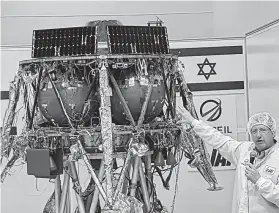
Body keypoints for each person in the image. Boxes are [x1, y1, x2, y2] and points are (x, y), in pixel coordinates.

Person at [177, 109, 279, 213]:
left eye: (263, 130)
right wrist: (194, 122)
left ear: (272, 132)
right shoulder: (244, 150)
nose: (258, 135)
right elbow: (219, 139)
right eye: (254, 131)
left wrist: (259, 181)